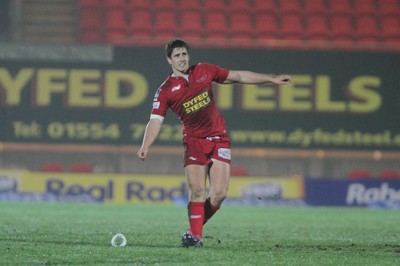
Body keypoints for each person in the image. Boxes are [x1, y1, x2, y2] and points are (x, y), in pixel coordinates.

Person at [137, 39, 291, 248]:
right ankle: (196, 238)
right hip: (194, 142)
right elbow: (155, 120)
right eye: (177, 56)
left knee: (218, 195)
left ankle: (193, 230)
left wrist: (271, 79)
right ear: (169, 60)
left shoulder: (204, 70)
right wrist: (145, 145)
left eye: (184, 54)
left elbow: (238, 76)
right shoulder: (165, 90)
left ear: (188, 56)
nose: (181, 59)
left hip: (219, 137)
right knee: (198, 191)